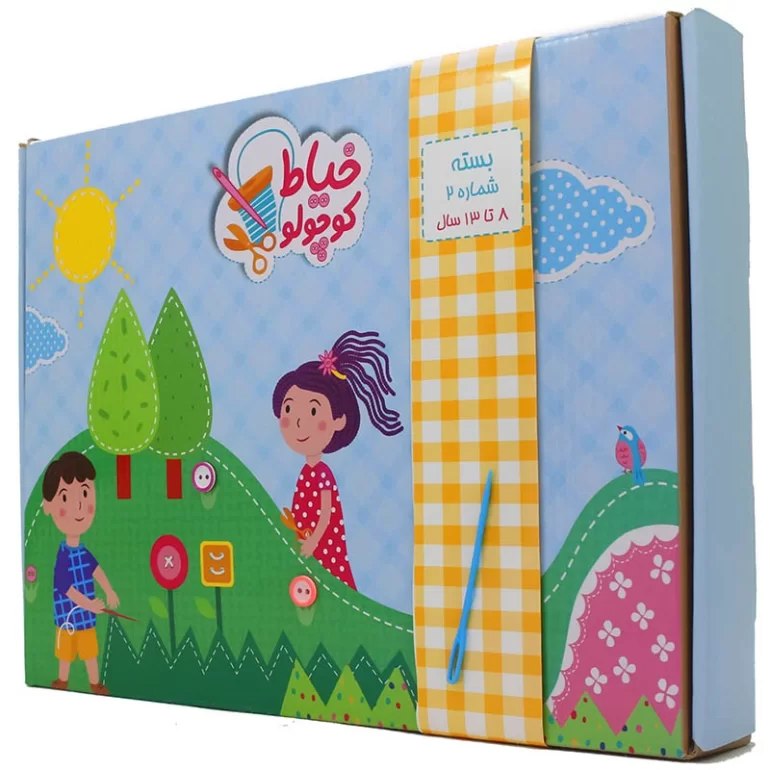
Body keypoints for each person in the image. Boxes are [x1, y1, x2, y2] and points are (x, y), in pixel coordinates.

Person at [273, 330, 403, 589]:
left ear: (339, 420)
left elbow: (325, 513)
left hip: (323, 545)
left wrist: (313, 541)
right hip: (305, 542)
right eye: (289, 408)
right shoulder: (306, 472)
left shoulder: (322, 474)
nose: (298, 422)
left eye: (313, 410)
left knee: (332, 583)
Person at [42, 451, 119, 695]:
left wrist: (109, 590)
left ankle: (95, 684)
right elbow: (66, 588)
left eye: (85, 493)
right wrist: (90, 604)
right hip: (67, 617)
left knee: (90, 652)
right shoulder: (62, 556)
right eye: (65, 497)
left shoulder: (84, 552)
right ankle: (63, 680)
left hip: (86, 620)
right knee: (65, 653)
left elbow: (97, 570)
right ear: (49, 506)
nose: (78, 506)